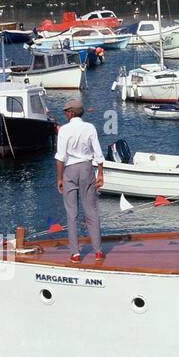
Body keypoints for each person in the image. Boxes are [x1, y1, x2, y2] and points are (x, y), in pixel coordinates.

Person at [55, 102, 105, 262]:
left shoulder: (64, 130)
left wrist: (59, 178)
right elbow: (98, 152)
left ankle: (75, 253)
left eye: (65, 112)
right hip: (86, 168)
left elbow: (60, 156)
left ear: (70, 113)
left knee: (72, 213)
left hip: (70, 169)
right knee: (91, 210)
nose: (65, 115)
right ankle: (98, 251)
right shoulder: (90, 127)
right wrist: (100, 174)